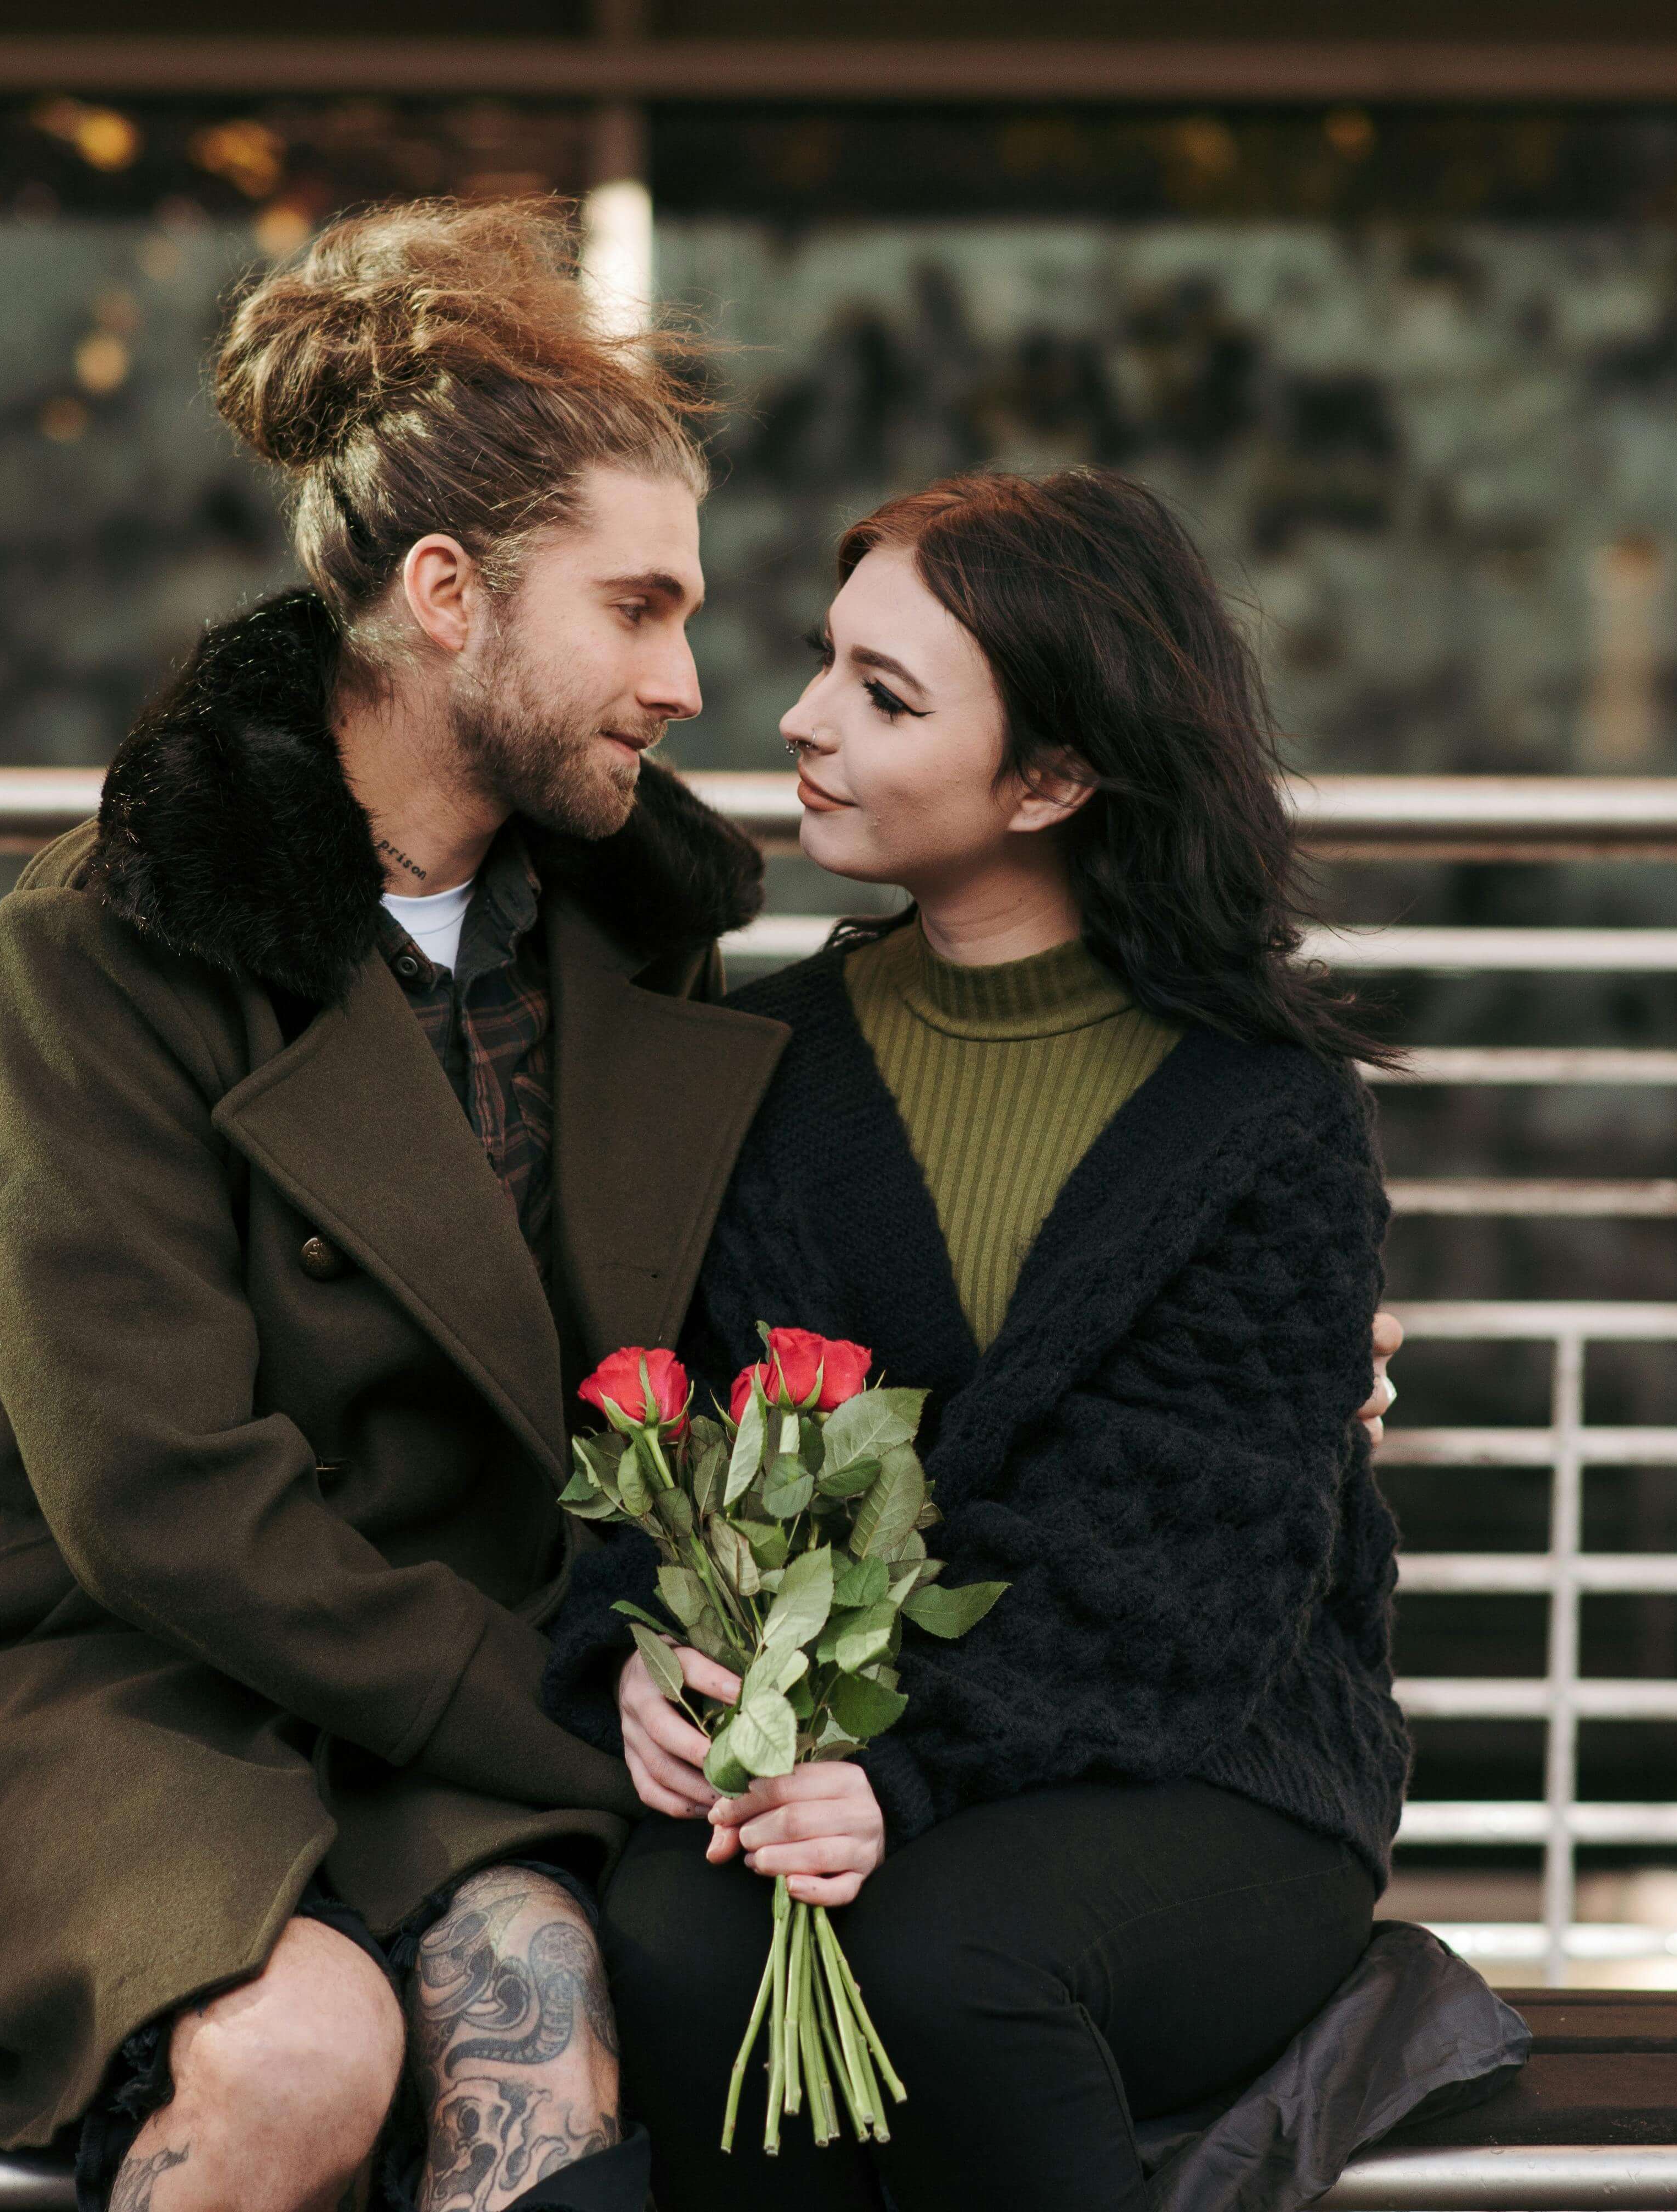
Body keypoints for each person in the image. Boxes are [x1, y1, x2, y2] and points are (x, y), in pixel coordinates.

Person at [0, 200, 789, 2212]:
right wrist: (556, 1710)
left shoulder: (635, 943)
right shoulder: (100, 949)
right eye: (637, 611)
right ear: (447, 594)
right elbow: (154, 1497)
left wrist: (1283, 1304)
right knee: (303, 2057)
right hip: (117, 1681)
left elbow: (888, 1155)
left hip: (466, 1689)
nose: (691, 681)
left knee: (544, 2000)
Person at [542, 467, 1411, 2212]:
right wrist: (643, 1657)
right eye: (824, 665)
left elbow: (1190, 1564)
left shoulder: (1263, 1117)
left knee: (952, 1973)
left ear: (1052, 779)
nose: (796, 720)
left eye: (884, 697)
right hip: (814, 1768)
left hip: (1209, 1763)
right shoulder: (763, 1064)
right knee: (687, 1954)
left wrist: (905, 1767)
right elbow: (679, 1435)